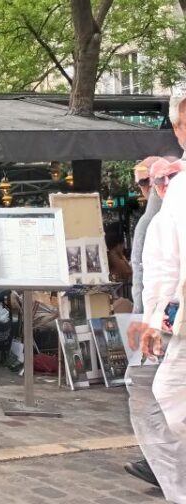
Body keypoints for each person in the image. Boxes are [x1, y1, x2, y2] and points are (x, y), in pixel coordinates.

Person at [127, 95, 186, 499]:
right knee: (161, 391)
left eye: (148, 181)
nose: (148, 188)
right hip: (174, 319)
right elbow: (161, 265)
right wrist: (153, 320)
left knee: (161, 392)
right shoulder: (176, 194)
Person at [130, 156, 162, 314]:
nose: (147, 186)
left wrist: (139, 311)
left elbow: (139, 267)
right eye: (142, 182)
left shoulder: (148, 222)